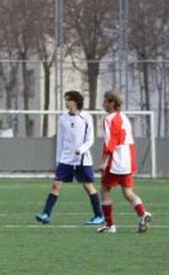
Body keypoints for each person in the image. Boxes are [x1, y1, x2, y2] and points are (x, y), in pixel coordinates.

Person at [35, 91, 104, 226]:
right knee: (56, 184)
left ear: (75, 102)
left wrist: (82, 149)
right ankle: (46, 215)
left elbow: (90, 139)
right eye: (65, 100)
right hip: (66, 159)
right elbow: (60, 141)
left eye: (68, 100)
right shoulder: (62, 119)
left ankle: (99, 216)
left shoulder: (86, 117)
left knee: (88, 186)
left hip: (82, 159)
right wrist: (58, 160)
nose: (66, 102)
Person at [97, 91, 152, 234]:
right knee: (128, 192)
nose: (103, 104)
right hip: (128, 158)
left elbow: (110, 142)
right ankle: (143, 213)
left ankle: (110, 225)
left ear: (112, 103)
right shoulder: (124, 117)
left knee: (104, 190)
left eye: (105, 101)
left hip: (117, 159)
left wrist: (104, 162)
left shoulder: (109, 119)